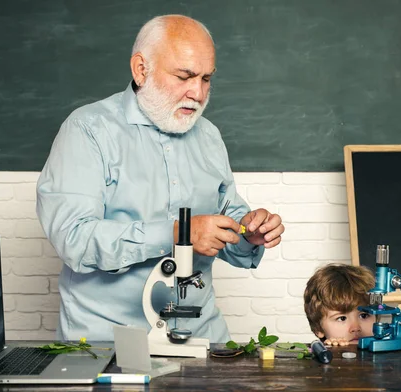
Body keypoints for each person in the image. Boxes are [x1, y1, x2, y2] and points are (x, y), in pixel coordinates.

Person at [36, 14, 284, 343]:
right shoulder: (87, 131)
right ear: (141, 69)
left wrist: (249, 232)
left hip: (202, 337)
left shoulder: (209, 136)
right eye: (184, 76)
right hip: (108, 342)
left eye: (207, 79)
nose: (197, 92)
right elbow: (74, 239)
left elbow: (227, 217)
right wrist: (178, 233)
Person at [304, 263, 401, 348]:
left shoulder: (386, 345)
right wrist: (333, 351)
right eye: (341, 318)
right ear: (318, 329)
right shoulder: (321, 356)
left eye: (364, 315)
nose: (355, 327)